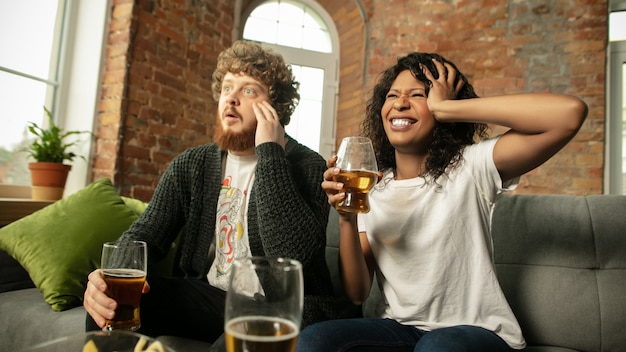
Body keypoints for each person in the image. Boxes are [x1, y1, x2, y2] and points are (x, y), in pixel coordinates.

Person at [296, 52, 588, 352]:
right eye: (392, 95)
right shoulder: (373, 186)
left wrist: (447, 107)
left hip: (476, 332)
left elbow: (569, 113)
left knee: (437, 346)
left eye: (418, 95)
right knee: (313, 339)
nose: (399, 103)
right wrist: (347, 217)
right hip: (399, 330)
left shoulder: (472, 167)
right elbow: (357, 294)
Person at [83, 40, 346, 347]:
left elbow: (293, 257)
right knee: (110, 301)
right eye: (227, 88)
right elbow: (147, 234)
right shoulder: (193, 164)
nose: (231, 99)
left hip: (285, 307)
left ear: (276, 107)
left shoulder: (307, 165)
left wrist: (270, 152)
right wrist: (106, 276)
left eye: (248, 90)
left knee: (235, 338)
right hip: (213, 301)